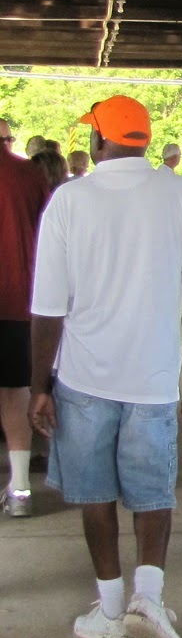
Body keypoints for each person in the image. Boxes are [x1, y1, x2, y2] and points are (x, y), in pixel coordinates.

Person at [28, 94, 182, 638]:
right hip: (154, 377)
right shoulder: (180, 195)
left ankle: (112, 608)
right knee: (151, 491)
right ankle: (150, 600)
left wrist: (39, 385)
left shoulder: (70, 200)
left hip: (84, 377)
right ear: (143, 139)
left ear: (99, 140)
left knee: (95, 493)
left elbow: (48, 308)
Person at [0, 119, 50, 518]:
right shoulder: (29, 175)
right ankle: (20, 489)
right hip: (17, 297)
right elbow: (47, 232)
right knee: (14, 393)